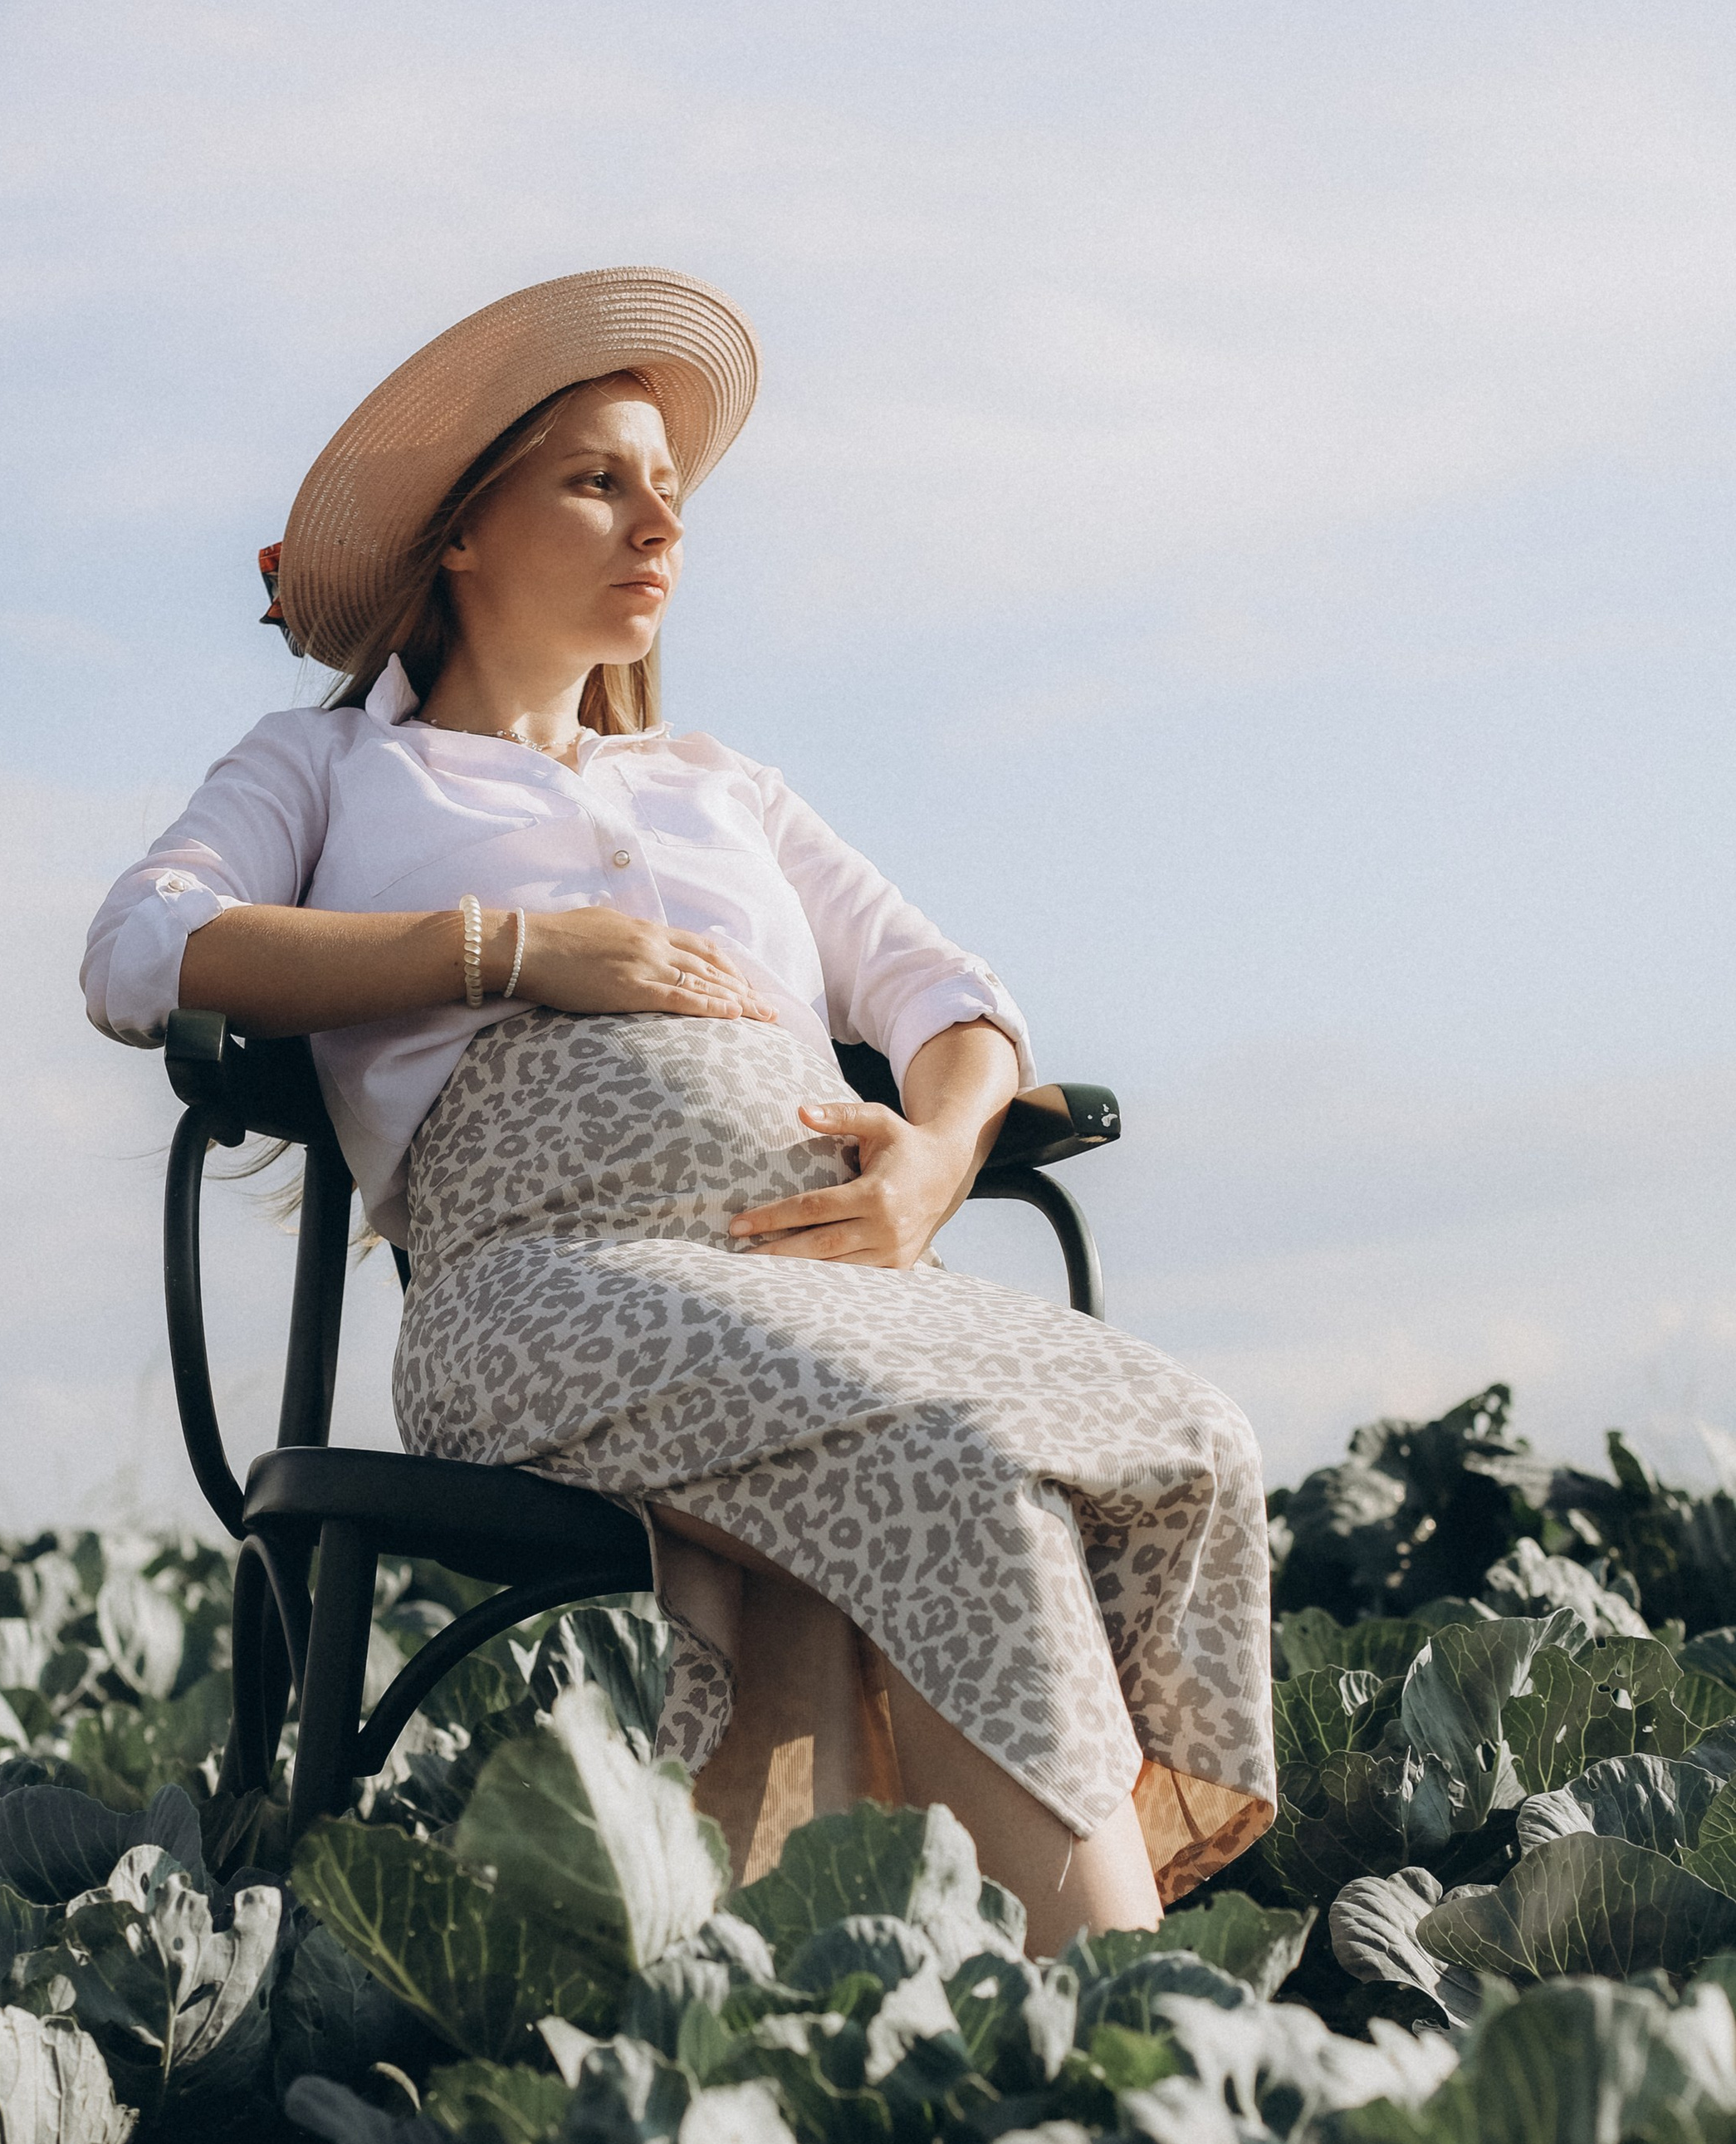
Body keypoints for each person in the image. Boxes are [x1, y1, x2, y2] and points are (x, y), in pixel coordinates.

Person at [82, 267, 1274, 1948]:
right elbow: (141, 951)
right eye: (598, 478)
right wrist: (505, 951)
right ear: (460, 535)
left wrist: (932, 1160)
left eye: (669, 487)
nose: (661, 518)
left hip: (828, 1288)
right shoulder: (333, 772)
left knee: (1185, 1434)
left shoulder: (723, 791)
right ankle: (1105, 2019)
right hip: (544, 1287)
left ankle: (998, 1986)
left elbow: (957, 1004)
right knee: (943, 1462)